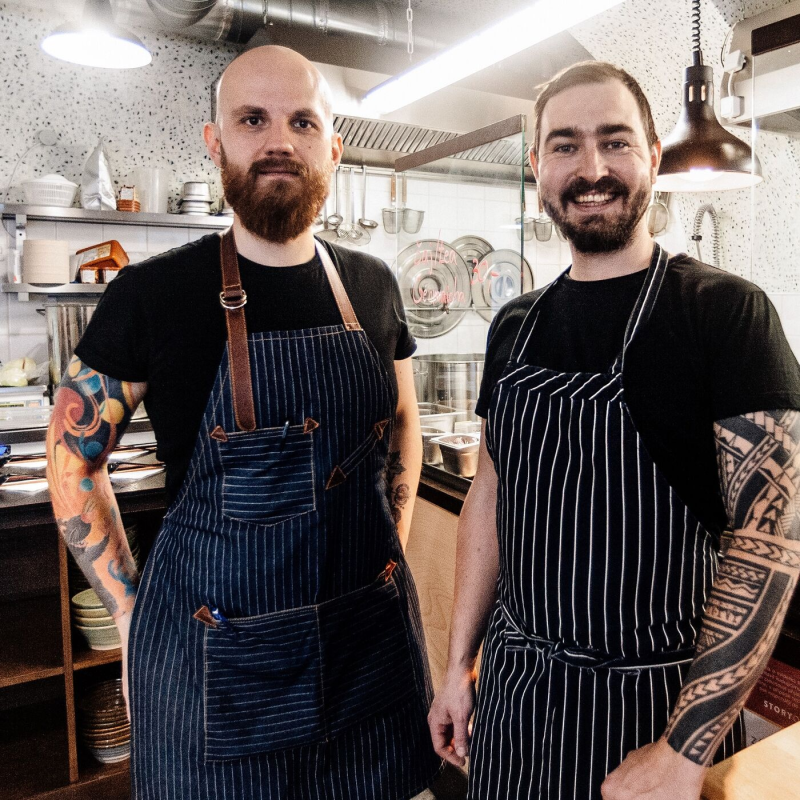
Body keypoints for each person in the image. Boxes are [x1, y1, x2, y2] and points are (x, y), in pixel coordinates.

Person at [47, 45, 441, 800]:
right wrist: (129, 615)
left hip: (366, 653)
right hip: (217, 667)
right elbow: (71, 458)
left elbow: (401, 424)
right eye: (253, 120)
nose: (278, 141)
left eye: (302, 122)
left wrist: (388, 551)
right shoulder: (153, 294)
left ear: (334, 147)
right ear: (215, 141)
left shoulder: (372, 283)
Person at [428, 60, 800, 800]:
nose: (591, 168)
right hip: (515, 697)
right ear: (536, 166)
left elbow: (771, 541)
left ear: (653, 156)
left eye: (615, 141)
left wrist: (684, 751)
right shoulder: (515, 324)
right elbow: (490, 500)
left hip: (654, 712)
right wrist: (456, 666)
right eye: (565, 145)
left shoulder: (723, 313)